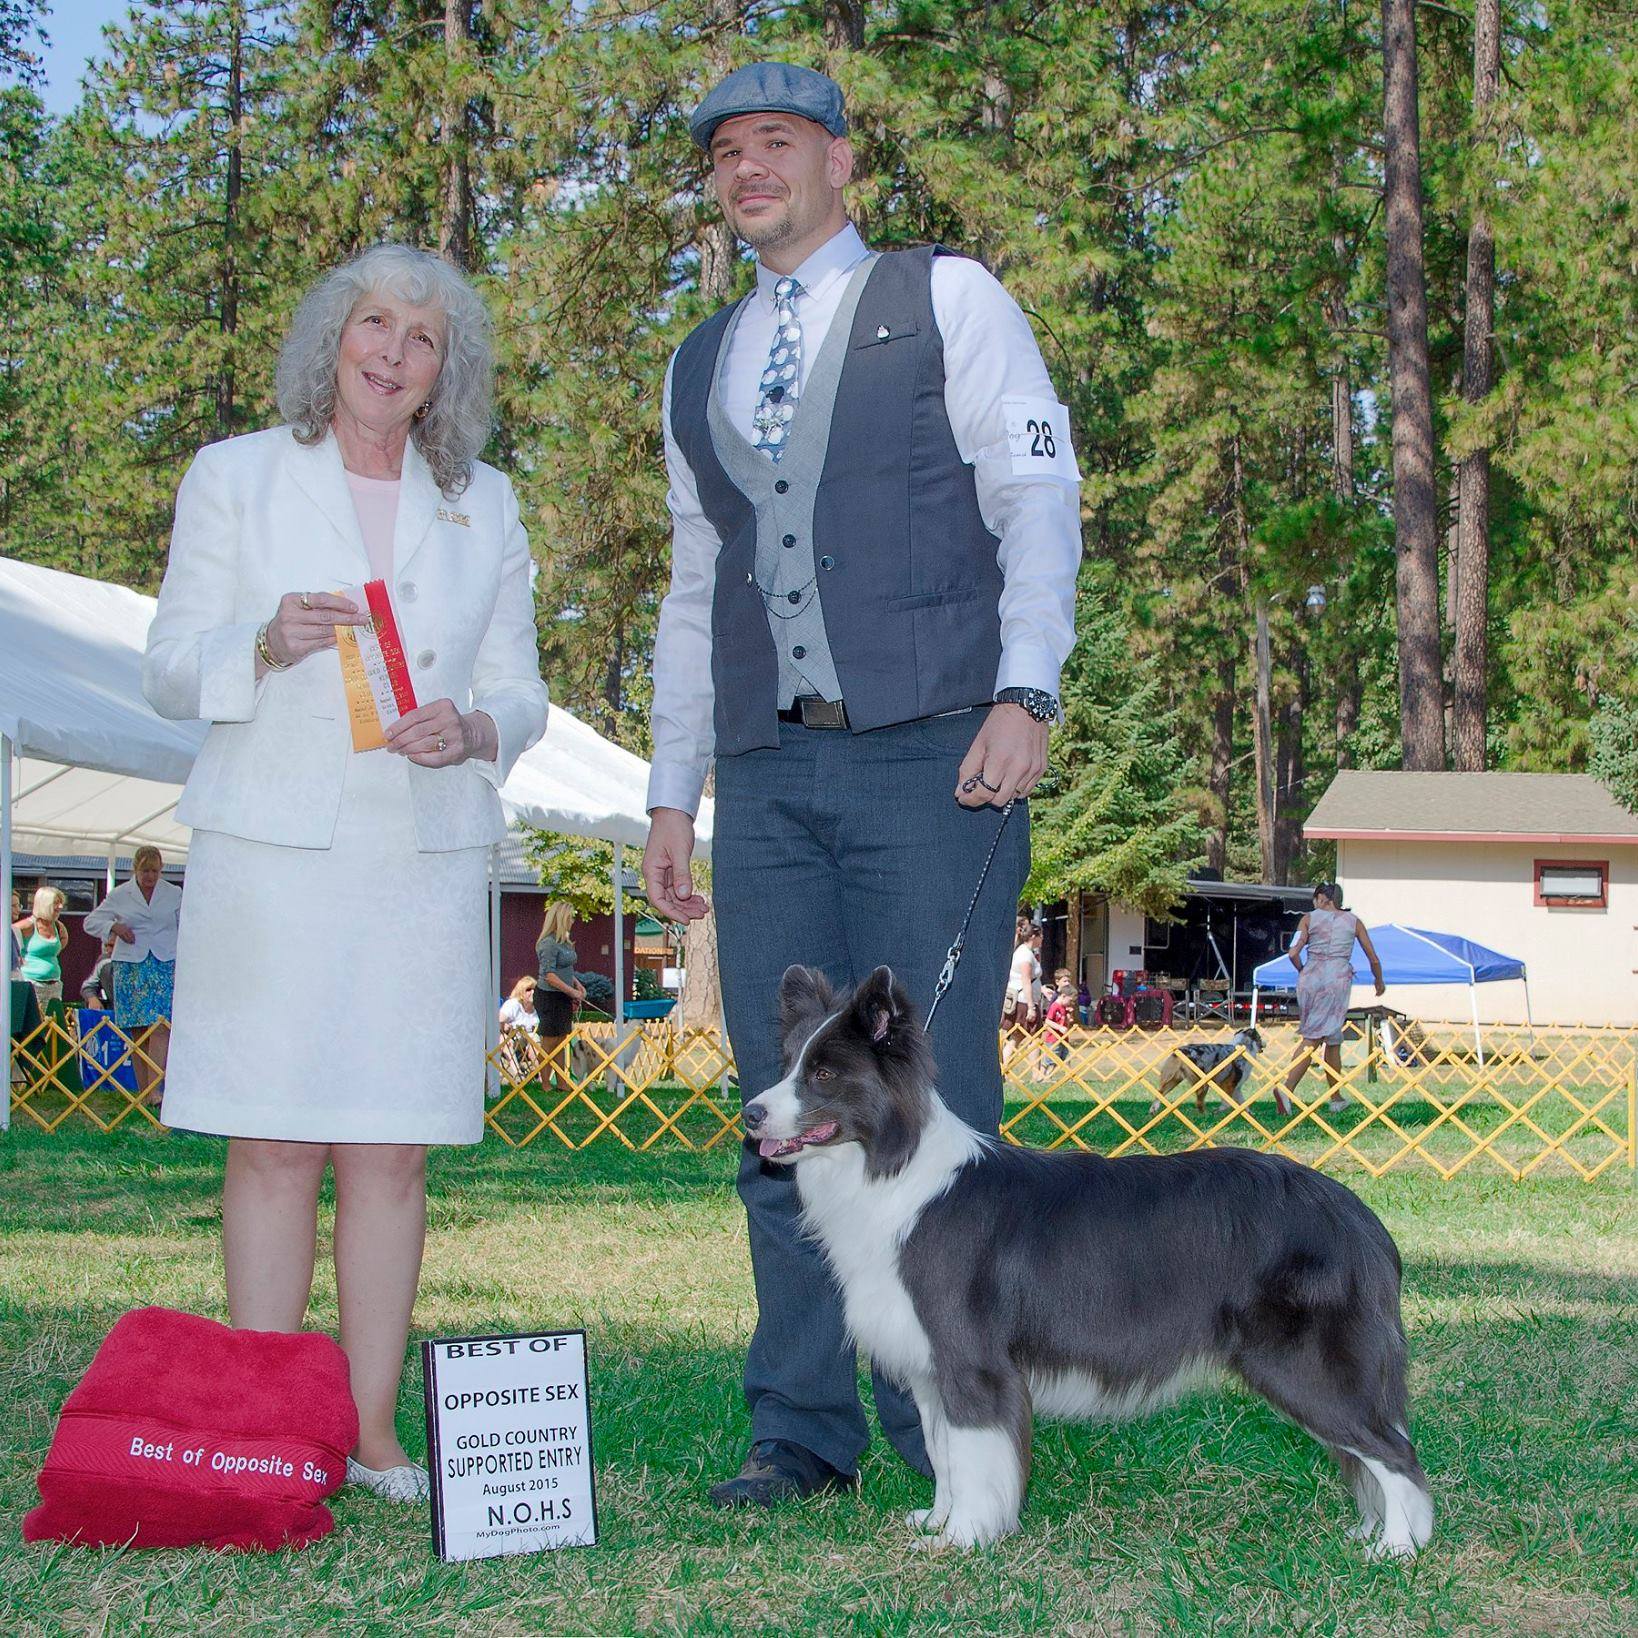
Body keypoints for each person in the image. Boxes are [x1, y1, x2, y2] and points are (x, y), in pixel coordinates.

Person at [640, 62, 1080, 1508]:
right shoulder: (695, 360)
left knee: (932, 1096)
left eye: (775, 142)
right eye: (724, 153)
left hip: (931, 748)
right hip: (768, 772)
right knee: (783, 1107)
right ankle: (800, 1432)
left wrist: (1026, 690)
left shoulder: (947, 298)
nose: (745, 168)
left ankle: (955, 1422)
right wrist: (670, 790)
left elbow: (1035, 499)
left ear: (840, 161)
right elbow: (696, 583)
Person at [143, 243, 548, 1502]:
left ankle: (373, 1434)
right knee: (271, 1145)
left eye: (421, 339)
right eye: (374, 324)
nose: (392, 352)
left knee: (391, 1154)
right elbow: (165, 667)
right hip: (273, 854)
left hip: (421, 858)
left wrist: (476, 731)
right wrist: (261, 642)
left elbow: (520, 689)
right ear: (333, 338)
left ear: (446, 372)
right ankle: (266, 1426)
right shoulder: (237, 477)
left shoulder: (489, 501)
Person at [83, 846, 183, 1103]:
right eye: (144, 871)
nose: (150, 876)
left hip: (164, 964)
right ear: (135, 870)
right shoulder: (120, 895)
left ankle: (157, 1091)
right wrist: (113, 926)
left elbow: (187, 924)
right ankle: (145, 1093)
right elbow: (90, 922)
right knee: (139, 1029)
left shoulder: (174, 894)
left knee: (160, 1026)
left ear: (161, 870)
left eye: (154, 871)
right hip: (130, 966)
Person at [1278, 882, 1384, 1116]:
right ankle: (1286, 1089)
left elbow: (1293, 952)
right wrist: (1379, 981)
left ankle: (1336, 1097)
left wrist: (1303, 970)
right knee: (1314, 1036)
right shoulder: (1354, 921)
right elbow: (1373, 958)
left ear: (1321, 898)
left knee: (1332, 1037)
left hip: (1311, 977)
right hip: (1336, 979)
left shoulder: (1308, 918)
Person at [534, 901, 585, 1089]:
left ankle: (562, 1081)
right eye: (570, 917)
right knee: (549, 1039)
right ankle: (545, 1082)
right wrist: (571, 991)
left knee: (562, 1038)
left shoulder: (565, 943)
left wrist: (577, 986)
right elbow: (549, 975)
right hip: (548, 997)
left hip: (563, 996)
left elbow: (567, 970)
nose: (573, 920)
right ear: (561, 918)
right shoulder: (547, 944)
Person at [14, 886, 70, 1011]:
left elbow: (62, 943)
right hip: (31, 984)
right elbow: (8, 939)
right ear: (44, 904)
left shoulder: (59, 926)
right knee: (34, 1025)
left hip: (55, 984)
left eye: (61, 903)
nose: (60, 907)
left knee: (52, 1025)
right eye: (56, 903)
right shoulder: (27, 926)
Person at [1003, 921, 1044, 1066]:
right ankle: (1036, 1073)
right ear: (1033, 936)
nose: (1042, 939)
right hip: (1024, 1002)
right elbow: (1026, 980)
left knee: (1017, 1037)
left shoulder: (1025, 953)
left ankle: (1005, 1069)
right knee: (1035, 1037)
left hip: (1025, 999)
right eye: (1041, 936)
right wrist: (1031, 1007)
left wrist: (1042, 989)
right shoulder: (1025, 955)